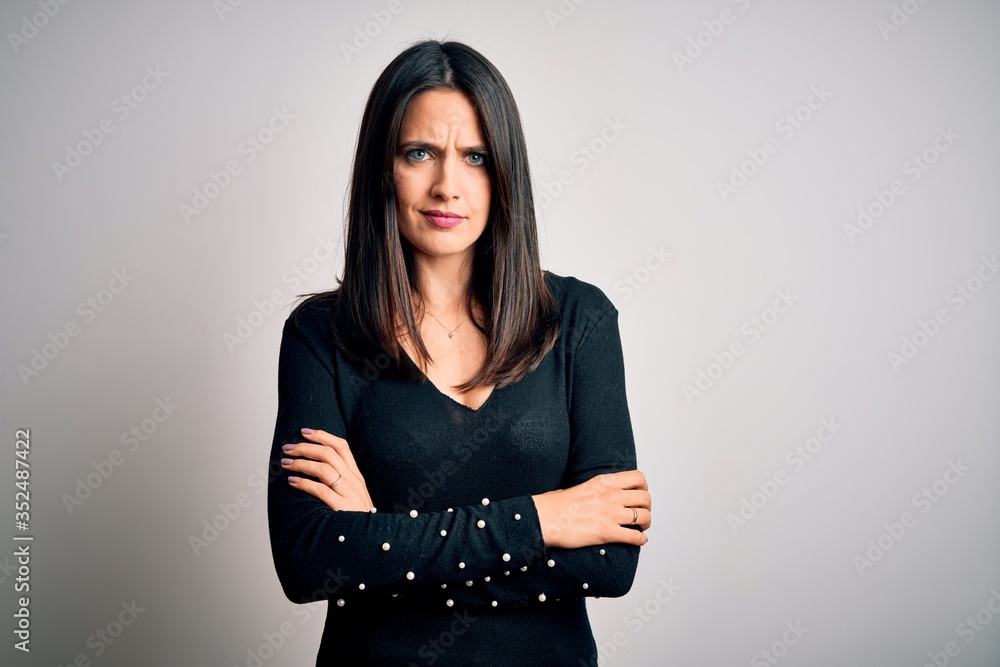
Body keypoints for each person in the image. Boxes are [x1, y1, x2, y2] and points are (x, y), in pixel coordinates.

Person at [267, 38, 652, 666]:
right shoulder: (321, 334)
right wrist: (545, 519)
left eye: (476, 157)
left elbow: (611, 561)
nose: (448, 186)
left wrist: (382, 545)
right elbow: (309, 560)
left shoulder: (580, 321)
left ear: (505, 175)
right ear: (382, 169)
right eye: (419, 153)